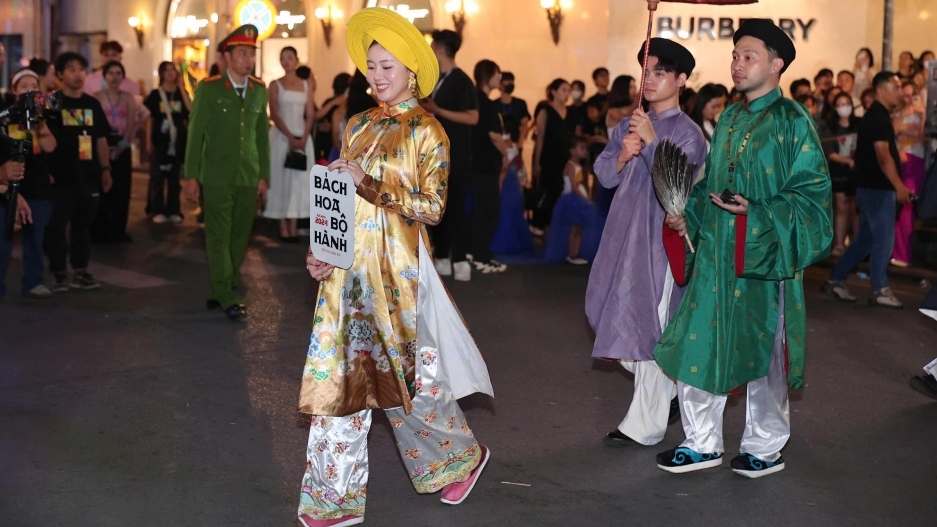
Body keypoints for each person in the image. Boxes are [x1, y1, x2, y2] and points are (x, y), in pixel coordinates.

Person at [298, 9, 493, 526]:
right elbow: (336, 200)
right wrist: (322, 250)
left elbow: (433, 208)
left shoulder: (429, 131)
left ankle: (459, 459)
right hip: (347, 275)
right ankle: (332, 500)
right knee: (340, 381)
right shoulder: (358, 124)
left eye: (388, 66)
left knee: (408, 385)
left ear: (411, 71)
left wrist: (368, 183)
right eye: (372, 66)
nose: (378, 75)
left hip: (398, 275)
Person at [654, 19, 832, 478]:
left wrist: (759, 211)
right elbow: (710, 184)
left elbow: (812, 196)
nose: (737, 64)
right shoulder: (729, 118)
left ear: (776, 65)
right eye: (735, 56)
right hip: (716, 255)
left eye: (748, 56)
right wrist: (687, 215)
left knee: (765, 353)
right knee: (700, 342)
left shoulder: (794, 121)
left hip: (763, 256)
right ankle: (701, 442)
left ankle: (764, 447)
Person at [587, 38, 706, 450]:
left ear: (681, 79)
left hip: (660, 243)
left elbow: (677, 188)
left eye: (660, 72)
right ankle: (667, 391)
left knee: (649, 326)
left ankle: (645, 423)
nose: (649, 80)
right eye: (645, 71)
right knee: (614, 314)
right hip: (622, 237)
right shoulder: (630, 123)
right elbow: (605, 175)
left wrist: (653, 142)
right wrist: (623, 153)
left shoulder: (690, 133)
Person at [182, 25, 270, 321]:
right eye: (242, 54)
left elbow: (261, 137)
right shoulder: (209, 89)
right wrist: (191, 175)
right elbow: (195, 135)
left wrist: (263, 176)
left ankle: (220, 288)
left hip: (248, 174)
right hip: (217, 175)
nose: (248, 60)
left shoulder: (259, 90)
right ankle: (227, 293)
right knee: (219, 235)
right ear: (227, 57)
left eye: (252, 54)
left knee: (240, 235)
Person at [827, 72, 909, 308]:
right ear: (881, 90)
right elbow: (883, 157)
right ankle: (880, 288)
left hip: (871, 187)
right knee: (883, 238)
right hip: (877, 188)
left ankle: (836, 279)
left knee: (865, 240)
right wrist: (899, 186)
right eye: (896, 87)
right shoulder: (877, 118)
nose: (900, 92)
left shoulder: (878, 116)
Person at [45, 52, 113, 292]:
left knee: (83, 226)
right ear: (60, 74)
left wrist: (105, 168)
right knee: (56, 225)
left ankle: (80, 270)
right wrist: (46, 170)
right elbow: (43, 138)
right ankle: (58, 272)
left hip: (88, 174)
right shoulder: (52, 103)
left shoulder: (92, 104)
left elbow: (101, 139)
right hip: (60, 176)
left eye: (81, 69)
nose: (78, 75)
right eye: (71, 69)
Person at [421, 29, 479, 282]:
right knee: (437, 206)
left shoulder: (462, 80)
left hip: (457, 154)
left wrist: (438, 109)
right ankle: (442, 256)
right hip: (435, 155)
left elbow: (473, 117)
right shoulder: (435, 79)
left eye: (432, 46)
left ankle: (460, 259)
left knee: (456, 207)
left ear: (440, 50)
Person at [0, 69, 57, 299]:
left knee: (35, 237)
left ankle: (34, 281)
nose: (30, 90)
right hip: (6, 183)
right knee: (3, 240)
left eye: (34, 86)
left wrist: (39, 122)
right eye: (24, 86)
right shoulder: (6, 116)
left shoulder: (40, 117)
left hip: (35, 185)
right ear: (14, 90)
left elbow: (50, 146)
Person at [264, 46, 314, 242]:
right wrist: (290, 137)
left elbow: (310, 113)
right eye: (283, 58)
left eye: (289, 58)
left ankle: (294, 224)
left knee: (299, 181)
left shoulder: (306, 84)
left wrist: (304, 137)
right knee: (280, 179)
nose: (286, 61)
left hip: (302, 137)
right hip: (282, 136)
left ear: (296, 60)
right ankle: (282, 225)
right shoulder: (275, 84)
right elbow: (274, 113)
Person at [92, 61, 140, 243]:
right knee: (102, 188)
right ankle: (100, 229)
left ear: (123, 76)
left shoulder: (128, 97)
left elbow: (132, 123)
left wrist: (123, 144)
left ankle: (119, 229)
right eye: (111, 73)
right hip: (102, 146)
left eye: (118, 73)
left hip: (122, 147)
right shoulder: (96, 97)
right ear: (104, 76)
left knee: (122, 189)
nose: (114, 77)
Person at [469, 59, 509, 274]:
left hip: (477, 163)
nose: (500, 78)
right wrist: (506, 153)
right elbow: (494, 135)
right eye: (497, 74)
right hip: (485, 164)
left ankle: (477, 252)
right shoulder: (485, 102)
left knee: (481, 211)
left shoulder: (475, 99)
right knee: (489, 212)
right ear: (487, 76)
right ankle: (481, 256)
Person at [543, 136, 604, 264]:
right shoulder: (570, 166)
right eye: (581, 148)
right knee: (574, 228)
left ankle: (575, 253)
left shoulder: (578, 165)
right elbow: (574, 186)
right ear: (572, 151)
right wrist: (586, 200)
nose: (585, 151)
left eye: (585, 148)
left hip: (578, 198)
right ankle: (572, 254)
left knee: (579, 228)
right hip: (572, 199)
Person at [145, 61, 191, 224]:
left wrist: (182, 88)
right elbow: (150, 119)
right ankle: (156, 209)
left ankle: (174, 209)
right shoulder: (155, 94)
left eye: (173, 70)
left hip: (177, 142)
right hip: (160, 141)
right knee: (157, 177)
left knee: (174, 178)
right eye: (167, 70)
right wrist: (148, 141)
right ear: (161, 74)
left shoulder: (180, 93)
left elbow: (190, 110)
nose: (171, 73)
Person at [531, 79, 577, 233]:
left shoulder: (570, 112)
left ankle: (561, 226)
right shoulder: (546, 111)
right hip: (549, 157)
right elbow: (540, 138)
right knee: (548, 190)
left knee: (564, 189)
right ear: (554, 92)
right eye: (563, 90)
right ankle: (543, 225)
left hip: (565, 157)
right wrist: (537, 162)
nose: (567, 94)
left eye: (568, 90)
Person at [891, 80, 926, 268]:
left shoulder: (922, 112)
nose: (908, 99)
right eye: (904, 95)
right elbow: (892, 134)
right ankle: (895, 252)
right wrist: (904, 115)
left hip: (915, 160)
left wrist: (922, 118)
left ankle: (904, 254)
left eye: (912, 95)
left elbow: (922, 139)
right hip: (897, 160)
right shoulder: (896, 113)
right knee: (896, 205)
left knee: (907, 206)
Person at [822, 91, 859, 257]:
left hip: (857, 171)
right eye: (840, 104)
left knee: (856, 208)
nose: (844, 107)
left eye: (847, 103)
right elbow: (830, 153)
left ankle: (857, 243)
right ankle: (839, 243)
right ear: (835, 108)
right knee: (841, 206)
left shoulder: (859, 124)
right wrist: (848, 161)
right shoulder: (830, 127)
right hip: (839, 171)